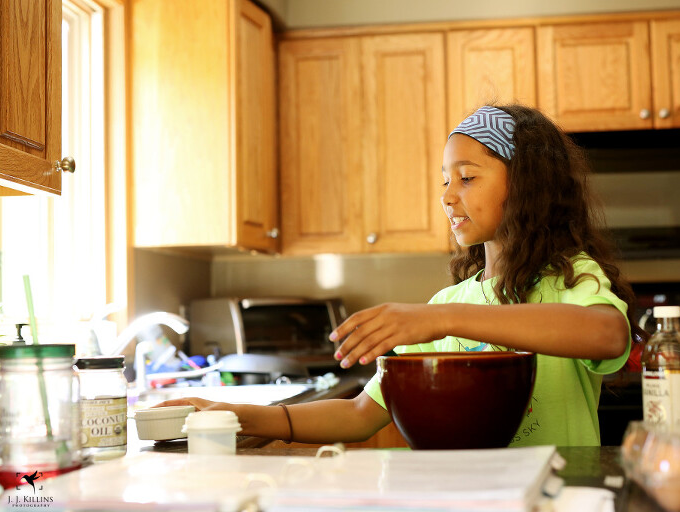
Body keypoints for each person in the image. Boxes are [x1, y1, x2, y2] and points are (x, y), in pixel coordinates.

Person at [158, 104, 644, 447]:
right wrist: (242, 416)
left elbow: (605, 333)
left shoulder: (571, 278)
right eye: (444, 181)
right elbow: (360, 413)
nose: (448, 196)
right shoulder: (446, 304)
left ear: (526, 184)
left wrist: (447, 320)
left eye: (468, 178)